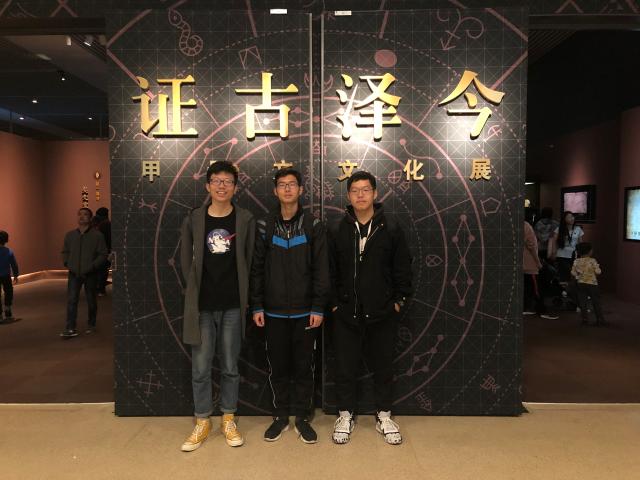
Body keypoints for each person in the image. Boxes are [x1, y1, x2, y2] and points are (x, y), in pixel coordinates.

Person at [328, 171, 412, 446]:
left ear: (375, 194)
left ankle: (384, 415)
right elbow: (330, 270)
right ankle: (345, 415)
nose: (360, 195)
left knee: (383, 367)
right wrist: (334, 305)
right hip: (346, 313)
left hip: (382, 312)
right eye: (355, 190)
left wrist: (398, 301)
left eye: (366, 190)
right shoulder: (337, 229)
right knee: (345, 368)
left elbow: (403, 267)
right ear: (348, 195)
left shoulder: (391, 227)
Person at [179, 161, 255, 452]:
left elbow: (249, 258)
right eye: (217, 181)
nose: (222, 186)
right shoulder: (195, 218)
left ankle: (228, 418)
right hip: (202, 305)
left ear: (235, 187)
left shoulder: (244, 219)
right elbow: (185, 260)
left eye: (228, 181)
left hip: (233, 304)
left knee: (230, 366)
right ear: (208, 185)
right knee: (200, 366)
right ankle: (202, 420)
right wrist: (193, 289)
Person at [250, 168, 330, 444]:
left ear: (301, 190)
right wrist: (257, 305)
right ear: (275, 191)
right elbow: (257, 269)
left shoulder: (314, 225)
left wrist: (318, 307)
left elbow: (322, 269)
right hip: (272, 312)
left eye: (292, 184)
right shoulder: (264, 225)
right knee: (278, 367)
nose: (287, 189)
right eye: (282, 185)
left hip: (306, 313)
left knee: (304, 367)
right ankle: (280, 415)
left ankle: (302, 417)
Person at [60, 208, 108, 338]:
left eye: (85, 214)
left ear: (90, 218)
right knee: (71, 300)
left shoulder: (97, 236)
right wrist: (67, 263)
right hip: (74, 273)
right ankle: (70, 328)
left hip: (90, 273)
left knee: (91, 300)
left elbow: (103, 254)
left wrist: (92, 266)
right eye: (79, 214)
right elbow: (65, 251)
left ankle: (91, 324)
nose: (82, 217)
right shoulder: (70, 235)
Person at [523, 222, 558, 319]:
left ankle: (527, 308)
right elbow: (531, 245)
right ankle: (541, 310)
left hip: (520, 264)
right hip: (530, 264)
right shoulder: (526, 226)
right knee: (537, 288)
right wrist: (538, 262)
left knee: (527, 287)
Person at [571, 242, 606, 326]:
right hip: (592, 284)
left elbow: (573, 273)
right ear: (590, 251)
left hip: (581, 284)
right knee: (596, 301)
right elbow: (598, 272)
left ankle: (585, 319)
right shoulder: (592, 261)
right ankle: (600, 319)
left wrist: (579, 274)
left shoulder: (576, 261)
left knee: (582, 302)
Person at [551, 211, 584, 284]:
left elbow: (580, 243)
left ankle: (571, 289)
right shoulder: (559, 229)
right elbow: (554, 242)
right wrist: (554, 252)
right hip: (562, 255)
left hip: (574, 255)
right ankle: (564, 289)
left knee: (575, 274)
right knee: (564, 274)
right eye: (569, 217)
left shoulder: (578, 229)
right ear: (564, 219)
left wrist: (581, 254)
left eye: (572, 216)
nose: (572, 218)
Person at [0, 231, 19, 322]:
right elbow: (14, 265)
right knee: (8, 292)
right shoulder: (9, 251)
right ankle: (8, 313)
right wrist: (15, 275)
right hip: (6, 275)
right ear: (6, 240)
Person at [93, 207, 112, 296]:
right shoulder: (107, 224)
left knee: (100, 271)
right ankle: (100, 288)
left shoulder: (101, 225)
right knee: (103, 271)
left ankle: (99, 289)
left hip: (100, 251)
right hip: (106, 251)